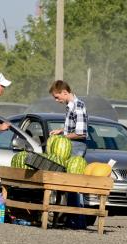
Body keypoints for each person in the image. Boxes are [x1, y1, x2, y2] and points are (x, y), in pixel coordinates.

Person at [48, 80, 88, 229]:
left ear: (65, 92)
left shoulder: (78, 106)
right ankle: (71, 219)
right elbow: (73, 129)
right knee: (68, 184)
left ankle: (78, 221)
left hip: (77, 146)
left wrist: (63, 137)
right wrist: (61, 131)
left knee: (73, 183)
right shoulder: (70, 107)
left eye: (57, 97)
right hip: (72, 144)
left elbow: (81, 133)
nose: (56, 100)